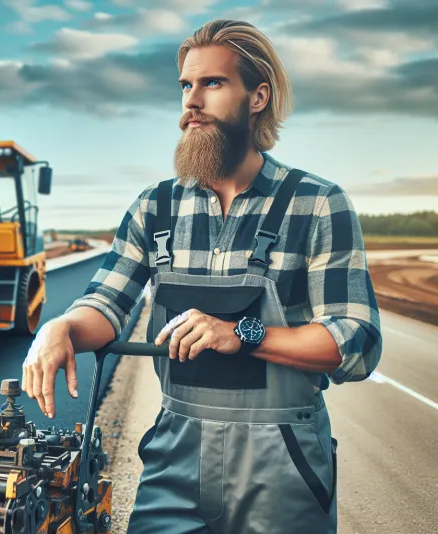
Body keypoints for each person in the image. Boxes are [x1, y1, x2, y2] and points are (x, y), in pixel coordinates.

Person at [20, 19, 383, 534]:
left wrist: (243, 335)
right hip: (176, 453)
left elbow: (358, 342)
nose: (192, 101)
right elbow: (107, 302)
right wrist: (63, 327)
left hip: (285, 461)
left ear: (257, 98)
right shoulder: (155, 206)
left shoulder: (318, 204)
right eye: (186, 86)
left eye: (212, 84)